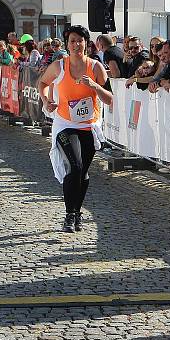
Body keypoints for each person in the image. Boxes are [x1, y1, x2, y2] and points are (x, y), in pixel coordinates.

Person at [38, 25, 112, 232]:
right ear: (67, 44)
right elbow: (42, 83)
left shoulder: (96, 67)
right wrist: (45, 101)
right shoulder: (59, 66)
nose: (76, 44)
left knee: (84, 172)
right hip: (65, 124)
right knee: (75, 166)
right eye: (72, 41)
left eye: (80, 40)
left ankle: (77, 213)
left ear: (86, 44)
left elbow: (110, 99)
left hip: (89, 125)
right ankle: (69, 215)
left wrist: (95, 86)